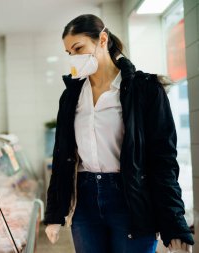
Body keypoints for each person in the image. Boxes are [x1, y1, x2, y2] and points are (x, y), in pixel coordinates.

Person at [44, 14, 194, 253]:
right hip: (84, 200)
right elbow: (62, 155)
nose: (74, 57)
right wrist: (54, 212)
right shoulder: (72, 96)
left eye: (79, 48)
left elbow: (163, 160)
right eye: (69, 53)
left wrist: (174, 223)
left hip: (131, 199)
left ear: (102, 39)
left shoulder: (145, 90)